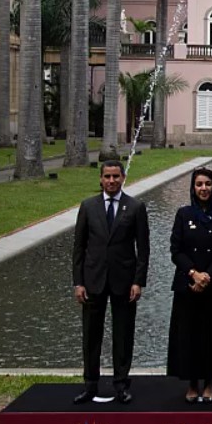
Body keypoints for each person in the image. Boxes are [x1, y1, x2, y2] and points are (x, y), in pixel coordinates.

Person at [71, 160, 150, 405]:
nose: (112, 181)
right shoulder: (88, 206)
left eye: (116, 176)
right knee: (91, 335)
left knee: (123, 335)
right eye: (107, 176)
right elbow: (79, 247)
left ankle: (121, 384)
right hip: (92, 281)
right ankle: (90, 384)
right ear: (101, 179)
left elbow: (143, 249)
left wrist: (138, 281)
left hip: (124, 282)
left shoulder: (135, 207)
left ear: (123, 178)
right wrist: (78, 282)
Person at [167, 166, 212, 404]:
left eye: (208, 184)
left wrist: (207, 276)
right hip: (188, 286)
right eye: (199, 184)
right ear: (193, 187)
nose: (203, 188)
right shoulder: (183, 214)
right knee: (189, 335)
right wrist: (193, 274)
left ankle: (209, 382)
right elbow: (176, 250)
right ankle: (191, 383)